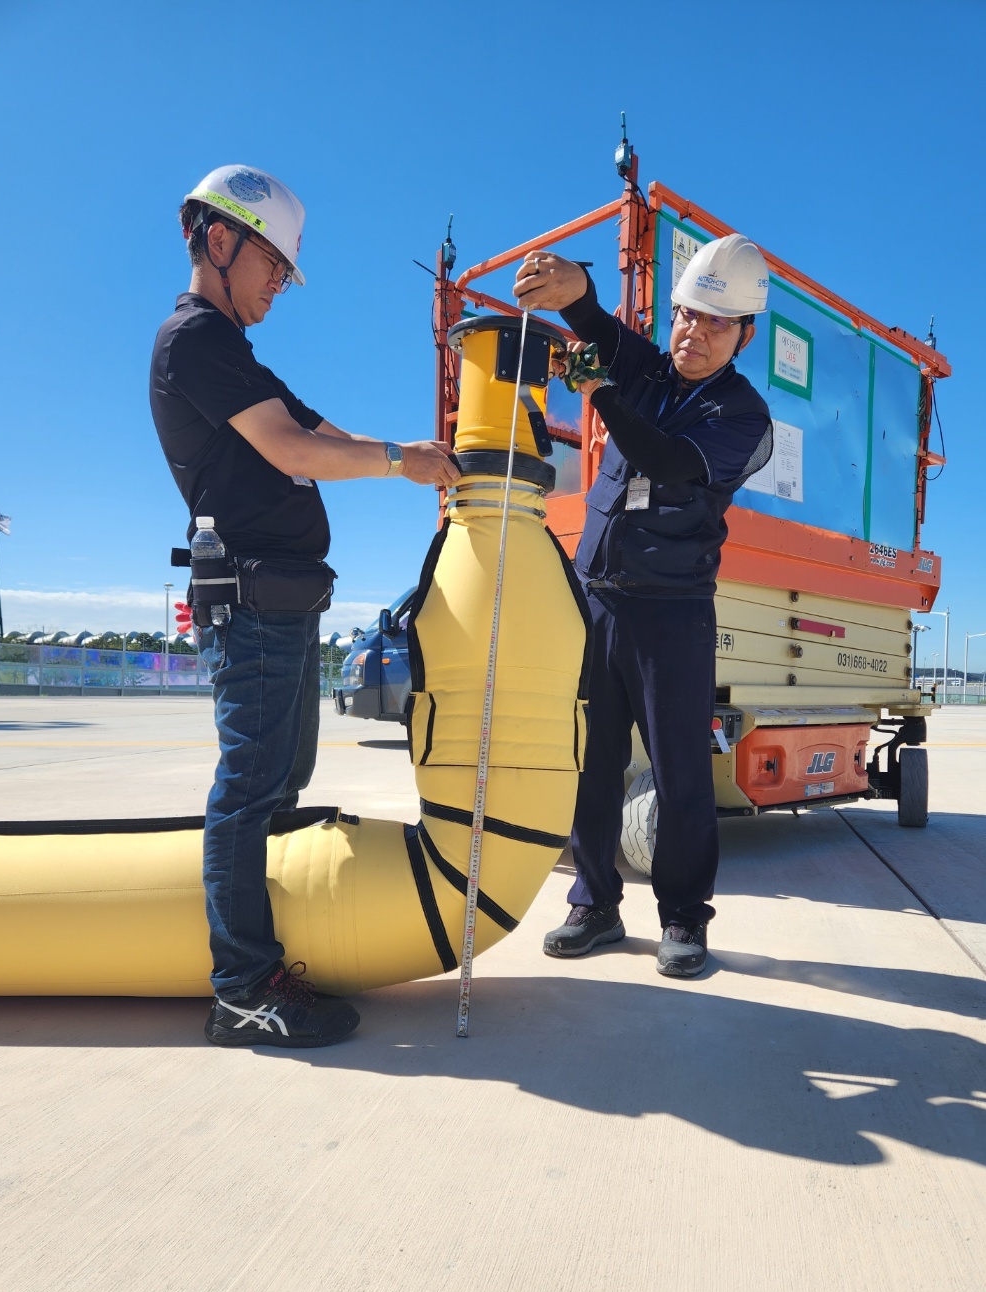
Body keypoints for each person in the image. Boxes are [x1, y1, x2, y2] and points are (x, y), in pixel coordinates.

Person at [150, 165, 458, 1047]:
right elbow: (289, 447)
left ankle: (264, 961)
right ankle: (242, 988)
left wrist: (416, 455)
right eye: (275, 267)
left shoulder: (233, 352)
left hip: (278, 604)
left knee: (279, 780)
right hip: (250, 606)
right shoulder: (192, 340)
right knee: (249, 787)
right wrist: (398, 462)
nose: (280, 286)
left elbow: (321, 434)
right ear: (221, 242)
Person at [512, 235, 772, 978]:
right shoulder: (651, 368)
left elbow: (664, 462)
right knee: (591, 764)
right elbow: (600, 329)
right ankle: (594, 904)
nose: (692, 332)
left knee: (680, 769)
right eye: (686, 315)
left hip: (672, 613)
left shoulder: (741, 415)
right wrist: (575, 291)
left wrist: (599, 397)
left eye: (714, 323)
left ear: (743, 334)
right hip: (597, 600)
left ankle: (685, 918)